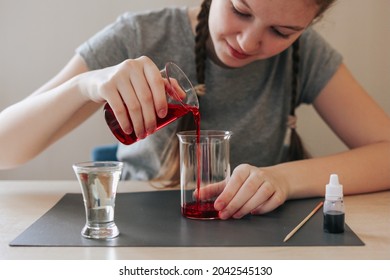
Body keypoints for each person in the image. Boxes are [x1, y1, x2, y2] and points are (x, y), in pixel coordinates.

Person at [0, 0, 389, 220]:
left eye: (282, 33)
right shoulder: (140, 36)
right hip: (139, 237)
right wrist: (84, 86)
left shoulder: (306, 56)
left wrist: (283, 179)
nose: (248, 41)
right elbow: (5, 148)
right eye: (240, 9)